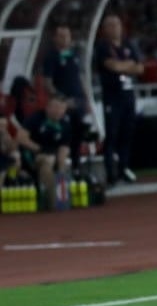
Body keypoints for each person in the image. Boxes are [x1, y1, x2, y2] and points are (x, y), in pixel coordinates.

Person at [93, 14, 144, 185]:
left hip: (128, 96)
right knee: (112, 134)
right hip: (112, 97)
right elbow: (112, 66)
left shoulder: (128, 44)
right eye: (111, 25)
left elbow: (140, 68)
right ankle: (111, 173)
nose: (115, 28)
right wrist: (127, 65)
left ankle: (124, 168)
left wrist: (124, 67)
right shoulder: (103, 47)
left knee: (127, 134)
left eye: (117, 24)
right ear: (105, 29)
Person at [41, 24, 89, 171]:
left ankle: (76, 164)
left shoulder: (74, 55)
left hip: (78, 101)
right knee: (63, 135)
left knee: (79, 132)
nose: (65, 39)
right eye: (61, 36)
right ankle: (60, 166)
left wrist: (87, 99)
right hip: (62, 104)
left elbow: (81, 78)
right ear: (55, 38)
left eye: (67, 35)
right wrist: (61, 99)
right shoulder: (51, 57)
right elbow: (47, 83)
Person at [23, 94, 72, 210]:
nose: (58, 111)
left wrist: (61, 166)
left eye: (61, 108)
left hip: (53, 155)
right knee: (47, 161)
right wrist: (40, 150)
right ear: (48, 107)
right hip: (32, 155)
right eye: (55, 107)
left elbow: (64, 148)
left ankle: (63, 199)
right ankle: (52, 202)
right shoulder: (36, 118)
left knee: (63, 164)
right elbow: (21, 137)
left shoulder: (65, 125)